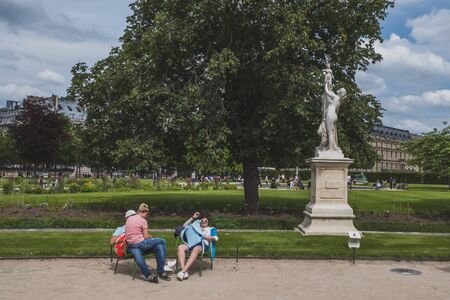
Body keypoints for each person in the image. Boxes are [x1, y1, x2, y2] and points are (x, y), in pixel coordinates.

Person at [125, 203, 175, 283]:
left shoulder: (129, 219)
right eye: (147, 213)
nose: (146, 215)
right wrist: (152, 237)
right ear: (144, 212)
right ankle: (165, 264)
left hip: (132, 245)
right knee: (162, 241)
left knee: (158, 246)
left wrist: (150, 238)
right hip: (140, 243)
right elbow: (145, 236)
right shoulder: (143, 221)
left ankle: (153, 275)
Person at [176, 212, 218, 281]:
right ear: (200, 221)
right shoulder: (196, 227)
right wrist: (193, 217)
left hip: (203, 245)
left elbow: (216, 238)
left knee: (196, 249)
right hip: (191, 243)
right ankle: (184, 271)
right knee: (180, 247)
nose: (203, 222)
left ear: (208, 222)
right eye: (202, 220)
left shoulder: (211, 229)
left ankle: (183, 271)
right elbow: (183, 226)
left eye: (205, 221)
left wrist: (207, 237)